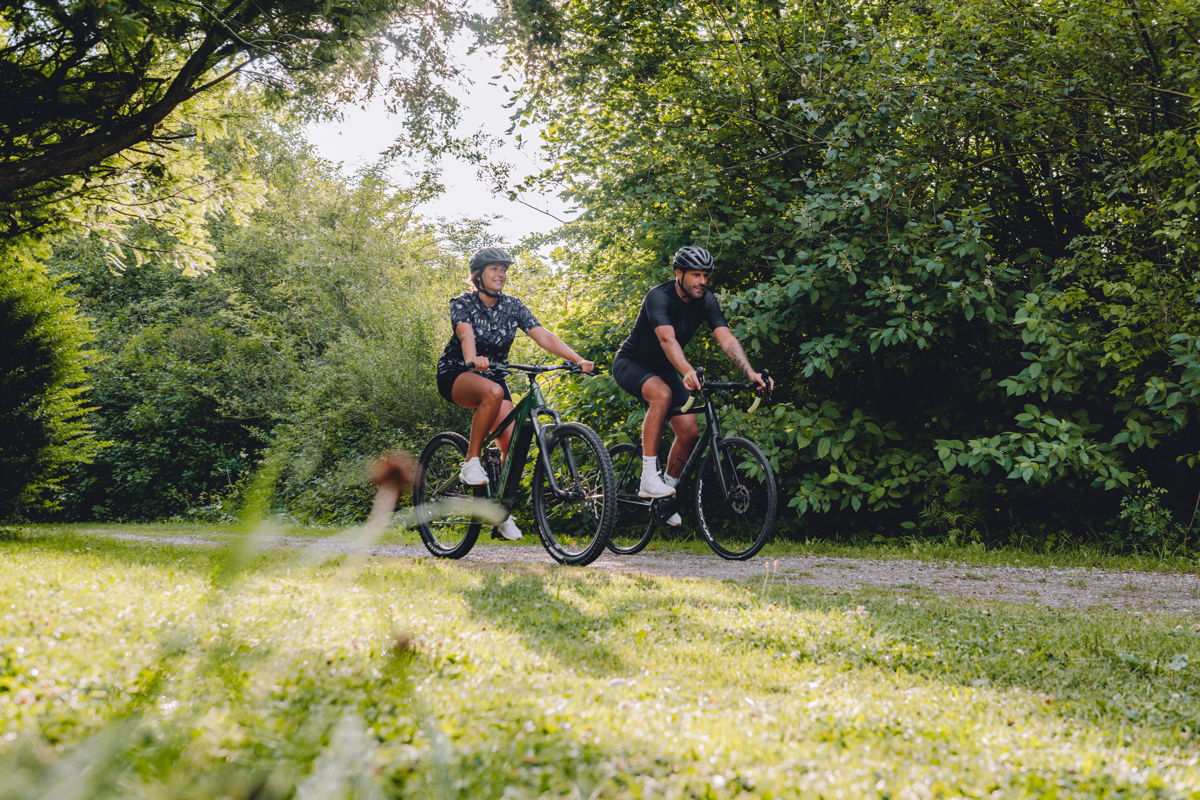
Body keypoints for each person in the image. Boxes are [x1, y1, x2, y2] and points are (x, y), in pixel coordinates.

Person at [436, 246, 595, 540]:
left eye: (504, 269)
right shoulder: (463, 303)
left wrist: (577, 359)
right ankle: (470, 461)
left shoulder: (513, 306)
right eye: (494, 269)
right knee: (494, 392)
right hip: (457, 373)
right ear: (478, 275)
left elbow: (543, 334)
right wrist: (473, 358)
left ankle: (499, 512)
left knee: (514, 446)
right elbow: (465, 333)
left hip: (494, 377)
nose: (501, 274)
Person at [611, 245, 773, 526]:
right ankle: (648, 477)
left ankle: (667, 495)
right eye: (696, 274)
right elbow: (667, 340)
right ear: (679, 273)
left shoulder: (706, 301)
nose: (702, 281)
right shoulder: (658, 297)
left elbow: (727, 339)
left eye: (705, 276)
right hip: (632, 363)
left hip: (664, 367)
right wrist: (686, 370)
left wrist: (751, 373)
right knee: (660, 394)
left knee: (689, 429)